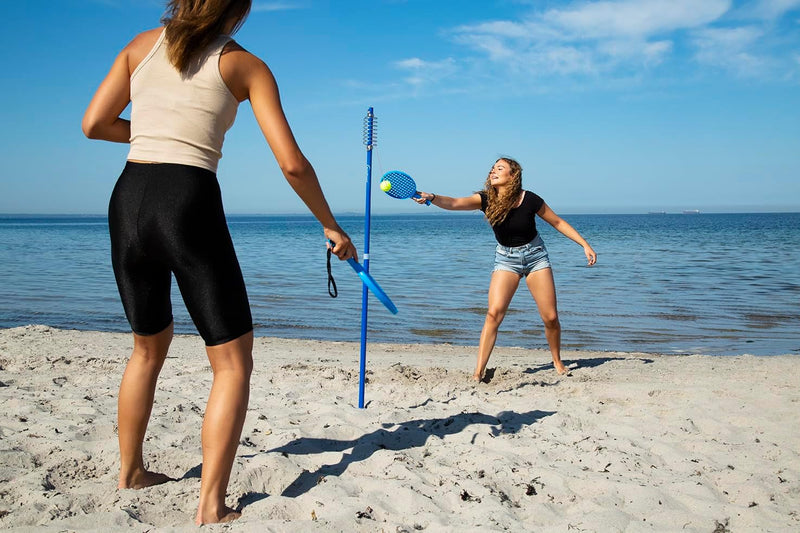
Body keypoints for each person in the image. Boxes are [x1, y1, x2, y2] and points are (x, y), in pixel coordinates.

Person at [81, 0, 356, 524]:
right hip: (188, 198)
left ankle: (131, 471)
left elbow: (94, 124)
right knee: (231, 362)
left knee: (145, 349)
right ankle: (210, 504)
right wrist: (330, 223)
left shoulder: (141, 45)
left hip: (128, 197)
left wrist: (143, 136)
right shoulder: (244, 64)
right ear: (239, 10)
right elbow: (292, 164)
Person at [413, 157, 596, 381]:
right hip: (506, 259)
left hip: (536, 257)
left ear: (513, 175)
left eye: (500, 168)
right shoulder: (485, 199)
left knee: (550, 317)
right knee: (493, 314)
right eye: (492, 168)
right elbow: (454, 203)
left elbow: (557, 222)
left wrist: (584, 244)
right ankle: (478, 372)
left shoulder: (530, 199)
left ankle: (557, 360)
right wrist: (432, 197)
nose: (493, 171)